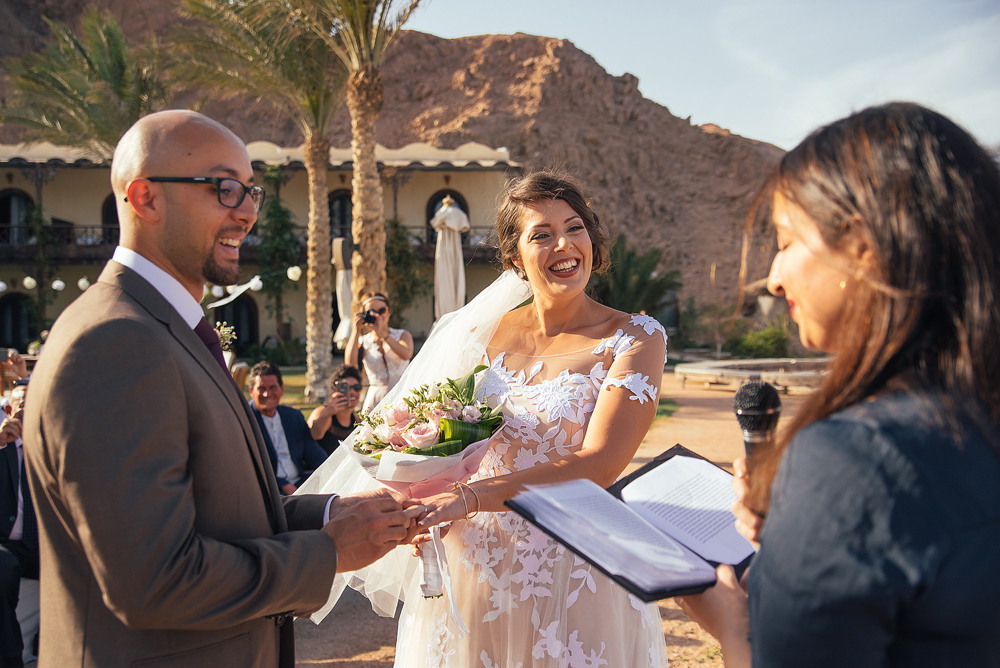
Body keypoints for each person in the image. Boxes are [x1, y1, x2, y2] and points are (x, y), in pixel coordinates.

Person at [21, 109, 420, 668]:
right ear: (145, 198)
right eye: (224, 189)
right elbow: (154, 578)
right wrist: (327, 551)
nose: (249, 212)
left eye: (251, 191)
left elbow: (218, 512)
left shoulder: (165, 329)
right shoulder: (114, 342)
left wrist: (334, 513)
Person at [678, 102, 1000, 667]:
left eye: (787, 241)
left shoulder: (855, 458)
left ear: (863, 245)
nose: (774, 278)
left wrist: (734, 632)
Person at [396, 171, 670, 665]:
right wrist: (423, 499)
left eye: (575, 227)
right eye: (541, 234)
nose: (564, 244)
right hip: (475, 560)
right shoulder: (474, 334)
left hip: (576, 569)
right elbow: (434, 438)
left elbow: (599, 464)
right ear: (513, 256)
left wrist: (468, 498)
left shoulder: (634, 338)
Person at [248, 361, 330, 494]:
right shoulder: (245, 420)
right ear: (251, 391)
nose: (267, 394)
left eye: (272, 387)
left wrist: (331, 470)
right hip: (267, 490)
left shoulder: (293, 417)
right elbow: (248, 466)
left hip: (300, 482)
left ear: (281, 389)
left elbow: (314, 454)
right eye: (261, 388)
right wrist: (281, 484)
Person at [0, 381, 36, 668]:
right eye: (20, 404)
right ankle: (11, 657)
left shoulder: (55, 446)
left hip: (44, 544)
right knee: (4, 568)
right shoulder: (1, 445)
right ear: (9, 409)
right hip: (6, 543)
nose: (26, 409)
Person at [344, 293, 413, 413]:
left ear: (389, 312)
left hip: (403, 393)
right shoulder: (364, 341)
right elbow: (350, 365)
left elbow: (406, 354)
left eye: (381, 310)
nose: (377, 315)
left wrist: (383, 334)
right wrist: (356, 331)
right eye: (371, 312)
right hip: (376, 398)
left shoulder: (402, 335)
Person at [307, 366, 363, 456]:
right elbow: (314, 435)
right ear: (334, 392)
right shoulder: (322, 412)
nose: (353, 392)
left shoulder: (358, 421)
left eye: (356, 387)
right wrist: (327, 413)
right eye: (347, 388)